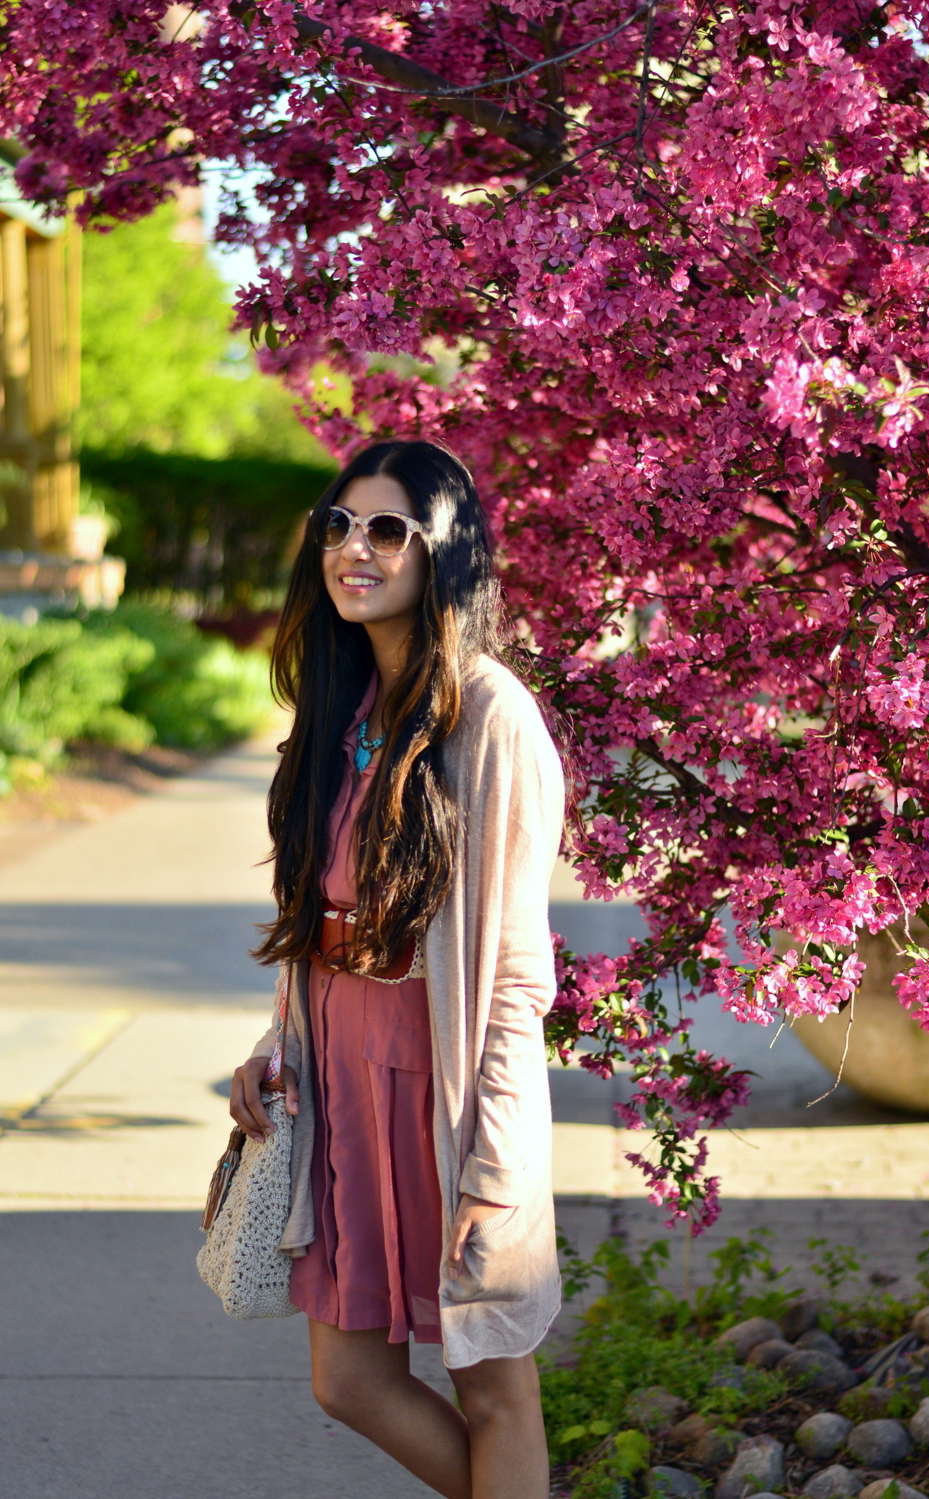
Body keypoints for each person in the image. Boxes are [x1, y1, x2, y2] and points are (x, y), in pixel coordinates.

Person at [228, 438, 571, 1499]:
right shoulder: (337, 706)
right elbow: (318, 908)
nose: (353, 549)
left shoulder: (490, 713)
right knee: (349, 1375)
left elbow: (513, 964)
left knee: (493, 1384)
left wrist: (496, 1157)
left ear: (443, 552)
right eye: (338, 525)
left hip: (441, 1080)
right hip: (336, 1071)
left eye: (386, 528)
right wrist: (273, 1043)